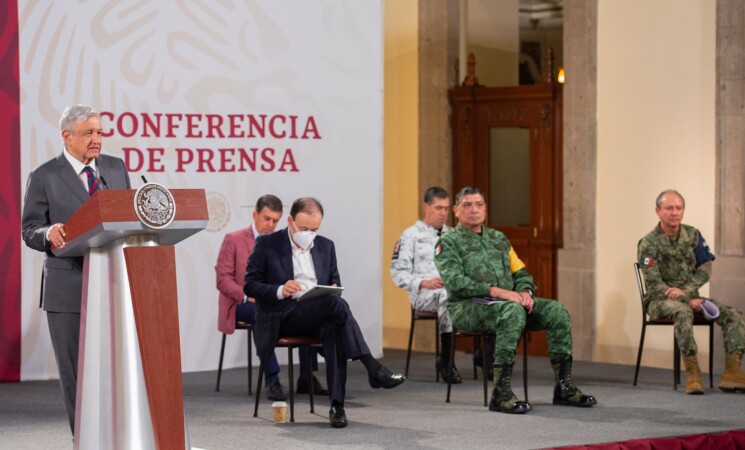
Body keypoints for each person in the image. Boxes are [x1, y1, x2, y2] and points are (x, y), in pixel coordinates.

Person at [244, 197, 405, 428]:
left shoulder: (326, 246)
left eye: (314, 229)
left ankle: (337, 407)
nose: (309, 234)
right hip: (283, 315)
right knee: (336, 307)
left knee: (334, 329)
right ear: (290, 221)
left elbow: (335, 284)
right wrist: (280, 289)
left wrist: (326, 291)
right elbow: (250, 284)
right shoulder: (268, 244)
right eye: (303, 229)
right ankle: (372, 366)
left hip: (316, 313)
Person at [434, 186, 596, 414]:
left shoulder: (498, 238)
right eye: (467, 205)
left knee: (557, 311)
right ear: (456, 211)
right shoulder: (449, 242)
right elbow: (455, 282)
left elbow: (520, 271)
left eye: (479, 205)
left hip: (507, 304)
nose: (474, 210)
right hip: (468, 307)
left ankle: (564, 387)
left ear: (485, 209)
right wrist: (500, 292)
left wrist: (525, 292)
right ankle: (501, 392)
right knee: (512, 312)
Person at [21, 104, 132, 433]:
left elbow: (125, 217)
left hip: (113, 282)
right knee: (77, 372)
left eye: (99, 132)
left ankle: (117, 436)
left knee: (113, 368)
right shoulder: (44, 176)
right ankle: (84, 438)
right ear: (67, 137)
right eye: (89, 133)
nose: (97, 139)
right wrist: (48, 233)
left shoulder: (115, 168)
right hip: (67, 287)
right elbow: (29, 229)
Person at [216, 194, 327, 401]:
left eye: (275, 220)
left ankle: (306, 376)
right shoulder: (234, 239)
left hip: (276, 299)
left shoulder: (283, 242)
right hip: (240, 303)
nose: (270, 224)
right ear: (254, 215)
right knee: (261, 314)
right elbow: (223, 280)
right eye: (266, 218)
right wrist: (247, 296)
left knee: (306, 311)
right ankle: (272, 378)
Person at [638, 189, 745, 394]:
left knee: (734, 315)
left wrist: (686, 294)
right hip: (659, 301)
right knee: (683, 311)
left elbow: (705, 268)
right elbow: (653, 281)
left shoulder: (693, 235)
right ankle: (693, 374)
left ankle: (732, 372)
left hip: (692, 297)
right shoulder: (648, 243)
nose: (674, 212)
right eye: (669, 208)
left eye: (679, 208)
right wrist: (686, 300)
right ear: (658, 211)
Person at [390, 186, 461, 382]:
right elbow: (397, 273)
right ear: (426, 207)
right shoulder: (410, 235)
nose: (443, 213)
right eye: (438, 208)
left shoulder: (453, 235)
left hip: (450, 291)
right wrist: (424, 282)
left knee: (468, 296)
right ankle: (446, 361)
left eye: (446, 208)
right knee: (448, 297)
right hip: (422, 295)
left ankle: (485, 356)